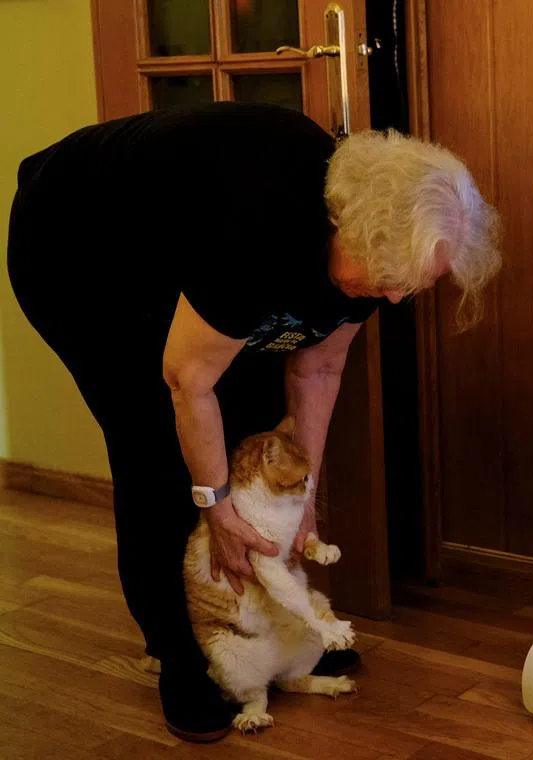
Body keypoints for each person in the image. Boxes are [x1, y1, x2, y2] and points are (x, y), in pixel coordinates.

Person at [5, 101, 502, 742]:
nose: (397, 297)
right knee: (157, 449)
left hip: (189, 246)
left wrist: (306, 492)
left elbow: (317, 370)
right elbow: (190, 382)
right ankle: (183, 657)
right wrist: (214, 504)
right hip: (79, 248)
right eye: (388, 280)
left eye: (412, 284)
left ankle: (265, 632)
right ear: (342, 231)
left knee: (251, 446)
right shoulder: (256, 227)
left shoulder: (380, 248)